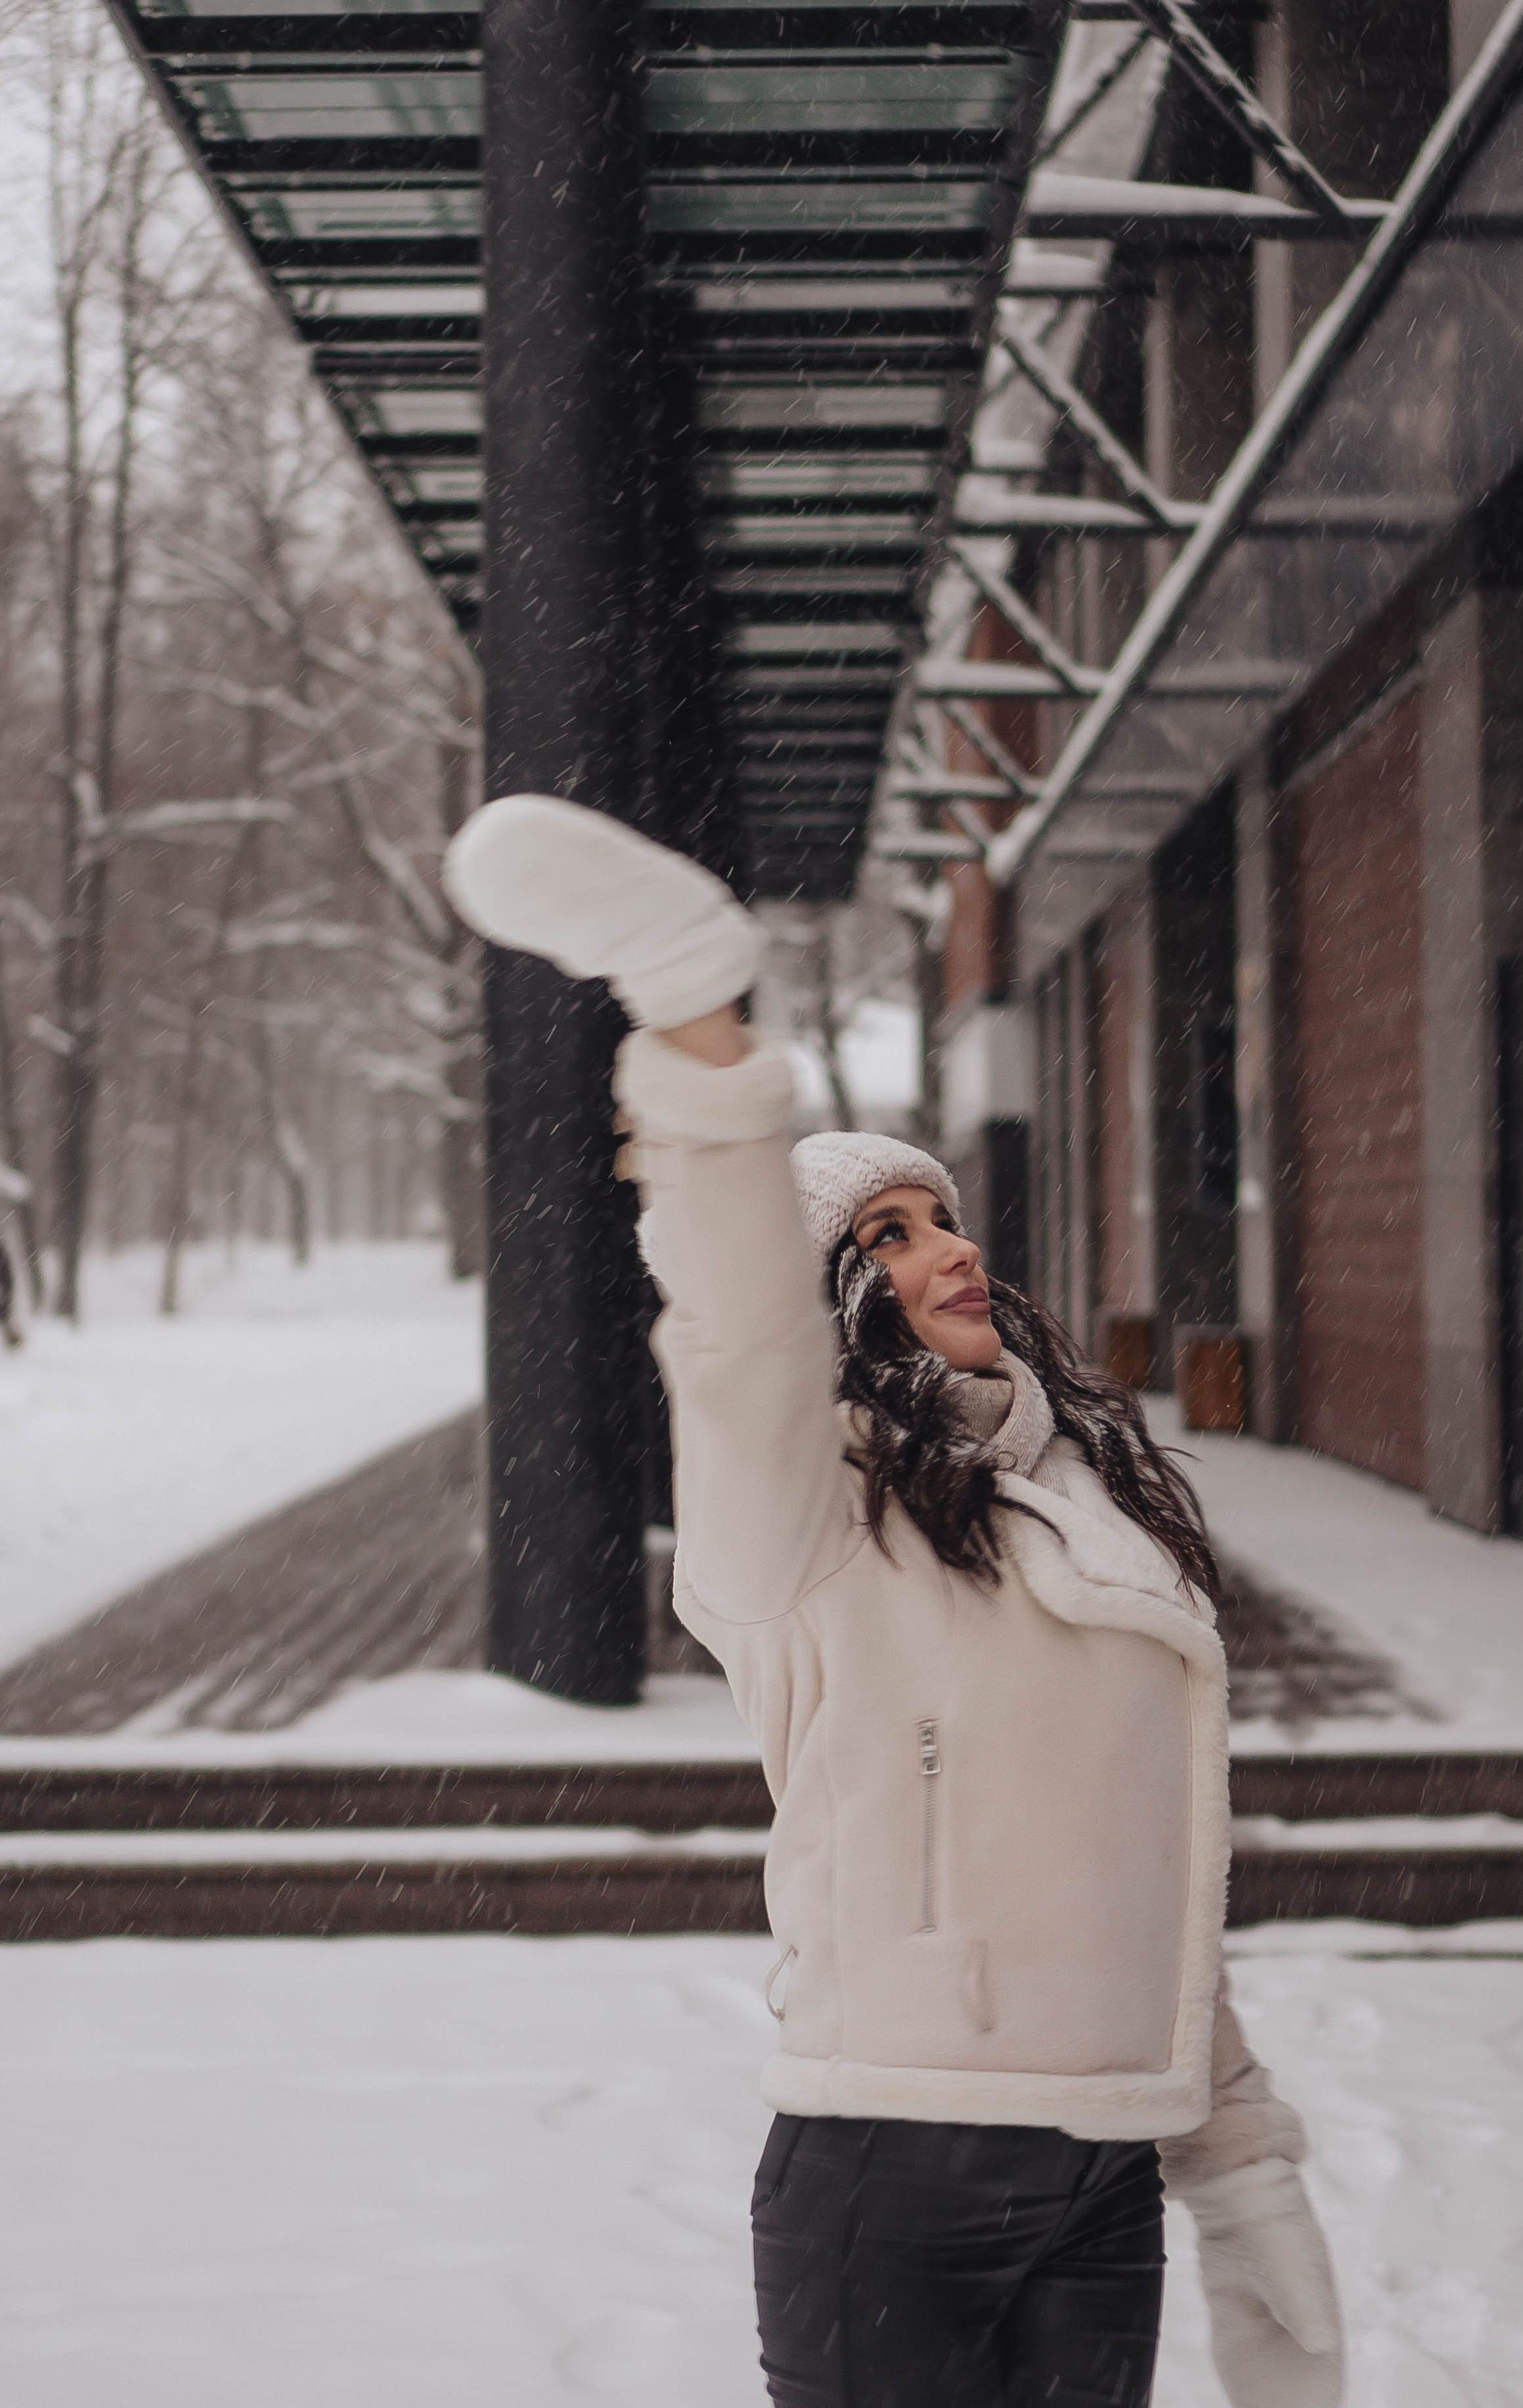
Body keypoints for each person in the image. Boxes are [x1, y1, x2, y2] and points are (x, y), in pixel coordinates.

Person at [445, 794, 1344, 2408]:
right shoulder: (802, 1523)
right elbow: (731, 1334)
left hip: (1100, 2180)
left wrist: (1231, 2144)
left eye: (940, 1214)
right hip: (892, 2173)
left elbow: (1136, 1870)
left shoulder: (1082, 1502)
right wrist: (699, 1035)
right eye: (886, 1233)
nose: (949, 1247)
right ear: (832, 1304)